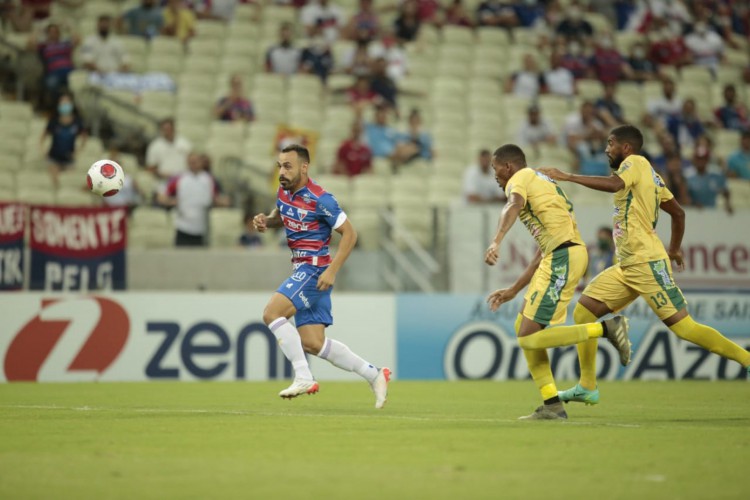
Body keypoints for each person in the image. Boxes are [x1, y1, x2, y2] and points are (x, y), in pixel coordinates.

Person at [538, 125, 750, 405]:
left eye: (610, 143)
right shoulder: (651, 175)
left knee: (685, 328)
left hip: (647, 263)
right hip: (627, 266)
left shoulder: (635, 163)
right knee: (584, 313)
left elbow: (616, 185)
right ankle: (587, 386)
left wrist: (567, 176)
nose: (606, 149)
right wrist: (674, 248)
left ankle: (746, 359)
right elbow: (678, 212)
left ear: (626, 147)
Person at [484, 144, 631, 420]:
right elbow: (541, 252)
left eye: (495, 169)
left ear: (508, 167)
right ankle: (552, 403)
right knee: (522, 326)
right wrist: (514, 290)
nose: (494, 175)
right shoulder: (542, 182)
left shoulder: (519, 180)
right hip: (560, 253)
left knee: (528, 338)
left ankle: (606, 330)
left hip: (564, 255)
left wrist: (497, 240)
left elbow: (512, 205)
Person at [252, 144, 391, 406]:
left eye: (288, 166)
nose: (282, 171)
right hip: (303, 270)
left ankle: (303, 376)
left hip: (314, 270)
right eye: (280, 165)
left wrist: (332, 270)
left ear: (304, 167)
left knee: (272, 313)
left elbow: (350, 234)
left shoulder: (321, 199)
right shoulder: (284, 191)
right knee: (313, 343)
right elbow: (282, 215)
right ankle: (374, 375)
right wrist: (266, 221)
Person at [158, 152, 230, 246]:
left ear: (201, 162)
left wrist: (222, 202)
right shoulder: (179, 178)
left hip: (201, 229)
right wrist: (173, 202)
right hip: (182, 227)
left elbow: (216, 198)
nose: (194, 164)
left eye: (196, 161)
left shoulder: (208, 179)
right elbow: (161, 197)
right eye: (191, 162)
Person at [41, 92, 87, 188]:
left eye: (67, 103)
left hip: (69, 158)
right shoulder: (54, 121)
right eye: (62, 103)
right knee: (54, 182)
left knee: (69, 185)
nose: (64, 105)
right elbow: (43, 137)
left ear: (71, 104)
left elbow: (84, 137)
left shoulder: (77, 122)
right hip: (54, 157)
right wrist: (43, 150)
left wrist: (78, 151)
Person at [29, 22, 78, 109]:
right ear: (47, 34)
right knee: (51, 84)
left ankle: (75, 108)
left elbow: (77, 40)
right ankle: (60, 107)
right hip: (55, 72)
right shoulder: (44, 46)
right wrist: (37, 31)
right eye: (51, 32)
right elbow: (31, 44)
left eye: (56, 32)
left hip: (69, 70)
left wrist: (70, 28)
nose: (53, 34)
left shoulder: (65, 43)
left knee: (79, 83)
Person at [685, 147, 732, 213]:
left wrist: (727, 203)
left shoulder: (716, 174)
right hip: (693, 210)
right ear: (695, 160)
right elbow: (684, 195)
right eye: (698, 159)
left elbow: (725, 191)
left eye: (704, 159)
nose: (701, 161)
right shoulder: (687, 176)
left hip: (712, 211)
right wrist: (693, 203)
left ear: (708, 160)